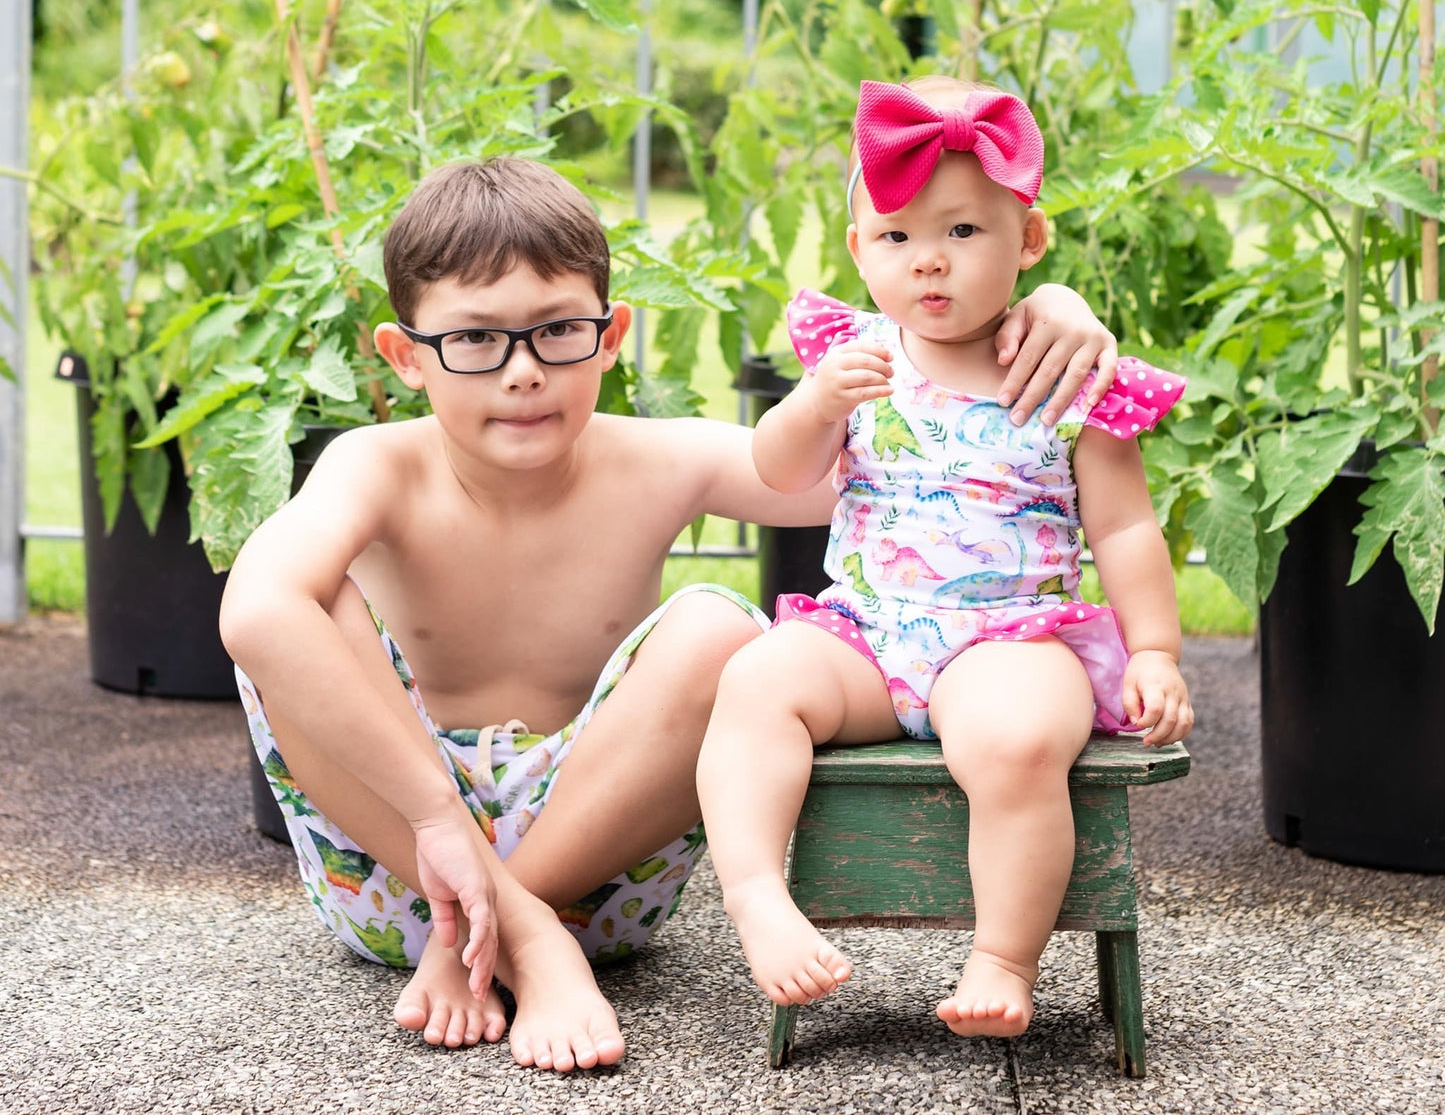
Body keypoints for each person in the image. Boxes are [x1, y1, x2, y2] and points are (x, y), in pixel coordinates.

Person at [218, 155, 1123, 1072]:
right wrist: (435, 827)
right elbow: (252, 613)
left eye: (556, 332)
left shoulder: (660, 458)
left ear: (611, 336)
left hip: (601, 876)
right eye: (476, 341)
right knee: (293, 611)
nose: (523, 373)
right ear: (406, 355)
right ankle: (529, 943)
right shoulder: (376, 465)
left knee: (722, 630)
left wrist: (1033, 317)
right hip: (397, 871)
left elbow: (924, 480)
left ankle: (516, 923)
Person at [696, 77, 1195, 1040]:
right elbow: (781, 475)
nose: (928, 261)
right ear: (857, 251)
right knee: (756, 679)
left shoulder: (1066, 375)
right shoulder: (853, 356)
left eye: (962, 232)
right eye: (895, 238)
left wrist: (1156, 651)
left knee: (1014, 744)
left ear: (1028, 242)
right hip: (870, 636)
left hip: (1012, 634)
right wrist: (812, 405)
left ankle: (1003, 955)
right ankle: (756, 898)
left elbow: (1125, 529)